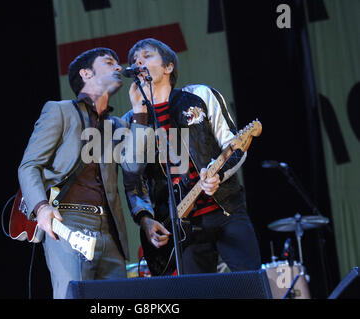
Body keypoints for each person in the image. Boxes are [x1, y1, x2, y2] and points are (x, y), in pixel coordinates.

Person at [18, 47, 150, 298]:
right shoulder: (60, 111)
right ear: (86, 73)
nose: (119, 67)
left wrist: (141, 115)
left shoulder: (119, 125)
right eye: (109, 62)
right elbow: (28, 165)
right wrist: (41, 208)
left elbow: (133, 167)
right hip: (68, 220)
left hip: (110, 230)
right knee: (73, 294)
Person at [122, 38, 261, 275]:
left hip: (226, 210)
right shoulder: (130, 121)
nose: (139, 61)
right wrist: (145, 220)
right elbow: (133, 180)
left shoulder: (200, 95)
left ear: (168, 67)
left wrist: (219, 174)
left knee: (251, 284)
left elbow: (233, 145)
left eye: (147, 56)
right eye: (135, 60)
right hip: (181, 228)